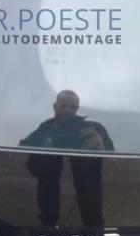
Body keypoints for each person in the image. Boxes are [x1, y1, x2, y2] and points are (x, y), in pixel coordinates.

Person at [19, 90, 114, 227]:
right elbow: (23, 147)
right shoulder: (46, 128)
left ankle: (94, 229)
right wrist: (46, 145)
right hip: (47, 207)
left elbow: (111, 154)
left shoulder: (93, 128)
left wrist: (99, 144)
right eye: (63, 106)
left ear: (77, 109)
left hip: (91, 203)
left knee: (91, 204)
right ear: (54, 107)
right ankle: (48, 226)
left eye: (72, 107)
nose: (67, 110)